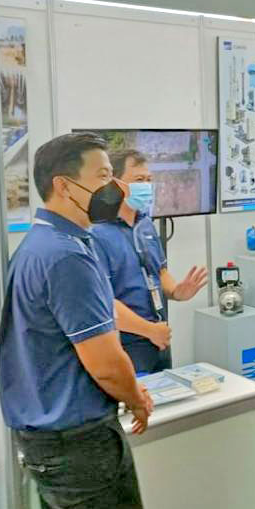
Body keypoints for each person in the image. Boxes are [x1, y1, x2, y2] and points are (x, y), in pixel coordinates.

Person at [0, 132, 155, 509]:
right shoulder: (66, 256)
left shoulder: (42, 243)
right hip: (78, 444)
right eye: (103, 176)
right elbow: (104, 362)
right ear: (64, 186)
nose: (116, 188)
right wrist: (136, 398)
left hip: (47, 438)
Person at [91, 149, 208, 374]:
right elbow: (102, 301)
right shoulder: (97, 233)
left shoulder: (145, 224)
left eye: (148, 179)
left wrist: (177, 291)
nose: (146, 186)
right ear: (115, 184)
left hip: (158, 338)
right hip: (125, 343)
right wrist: (148, 330)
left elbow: (159, 272)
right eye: (138, 180)